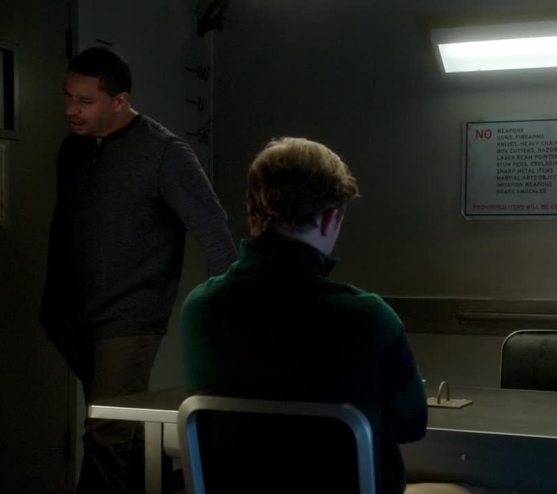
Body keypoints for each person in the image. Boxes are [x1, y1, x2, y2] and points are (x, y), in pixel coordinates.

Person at [40, 46, 238, 493]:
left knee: (105, 436)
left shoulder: (164, 152)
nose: (71, 109)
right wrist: (51, 309)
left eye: (85, 101)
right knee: (124, 439)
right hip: (75, 318)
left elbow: (214, 231)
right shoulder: (72, 149)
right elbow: (62, 228)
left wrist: (224, 318)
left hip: (130, 319)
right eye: (68, 96)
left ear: (120, 100)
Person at [181, 137, 428, 494]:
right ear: (330, 219)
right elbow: (411, 426)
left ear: (253, 210)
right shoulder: (369, 318)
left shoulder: (200, 309)